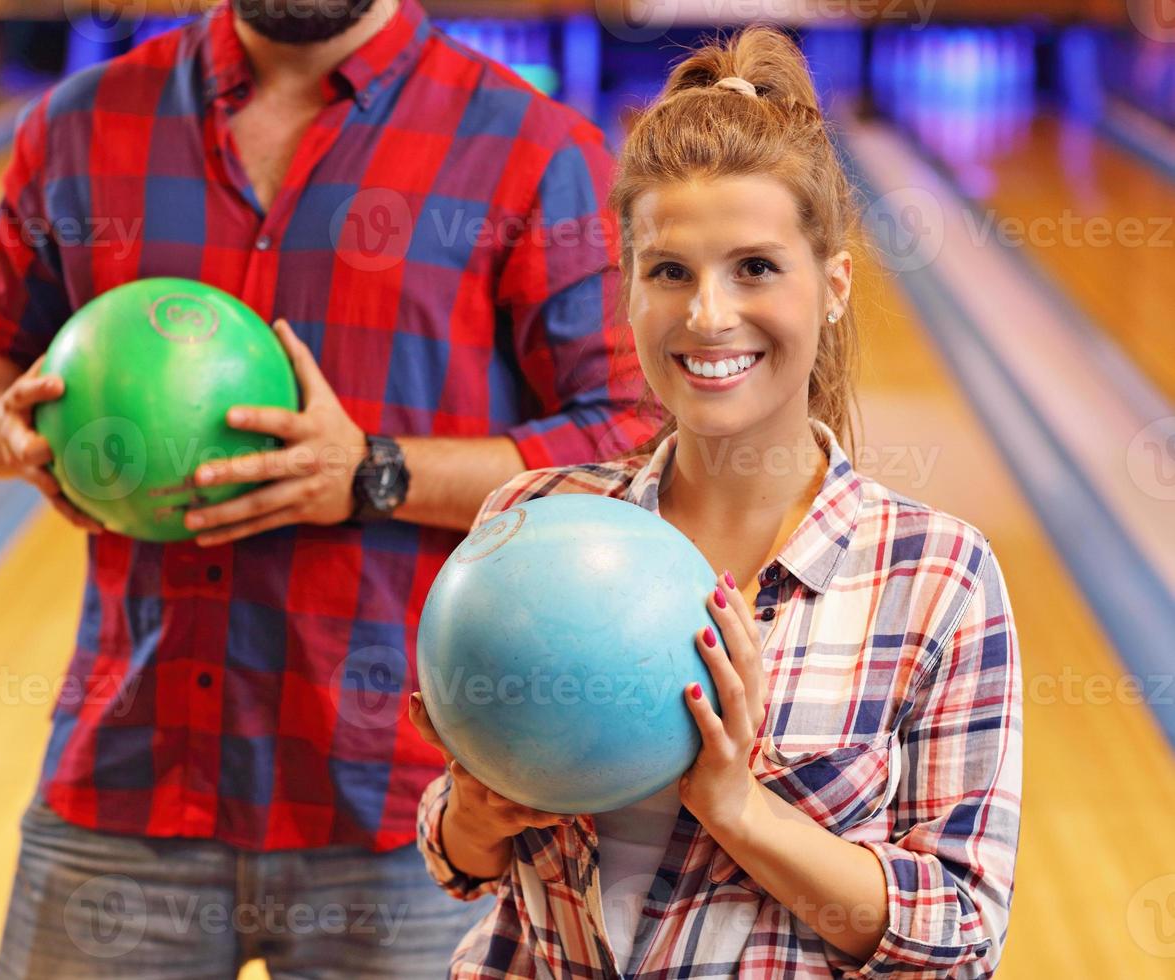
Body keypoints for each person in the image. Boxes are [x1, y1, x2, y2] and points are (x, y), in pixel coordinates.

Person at [0, 0, 649, 975]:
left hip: (414, 816)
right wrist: (8, 430)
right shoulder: (82, 124)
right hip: (130, 776)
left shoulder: (532, 148)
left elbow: (627, 440)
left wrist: (371, 474)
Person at [409, 26, 1023, 979]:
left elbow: (958, 935)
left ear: (833, 286)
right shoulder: (531, 521)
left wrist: (739, 808)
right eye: (669, 272)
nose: (707, 315)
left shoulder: (937, 577)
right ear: (628, 292)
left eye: (756, 267)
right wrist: (471, 814)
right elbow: (459, 860)